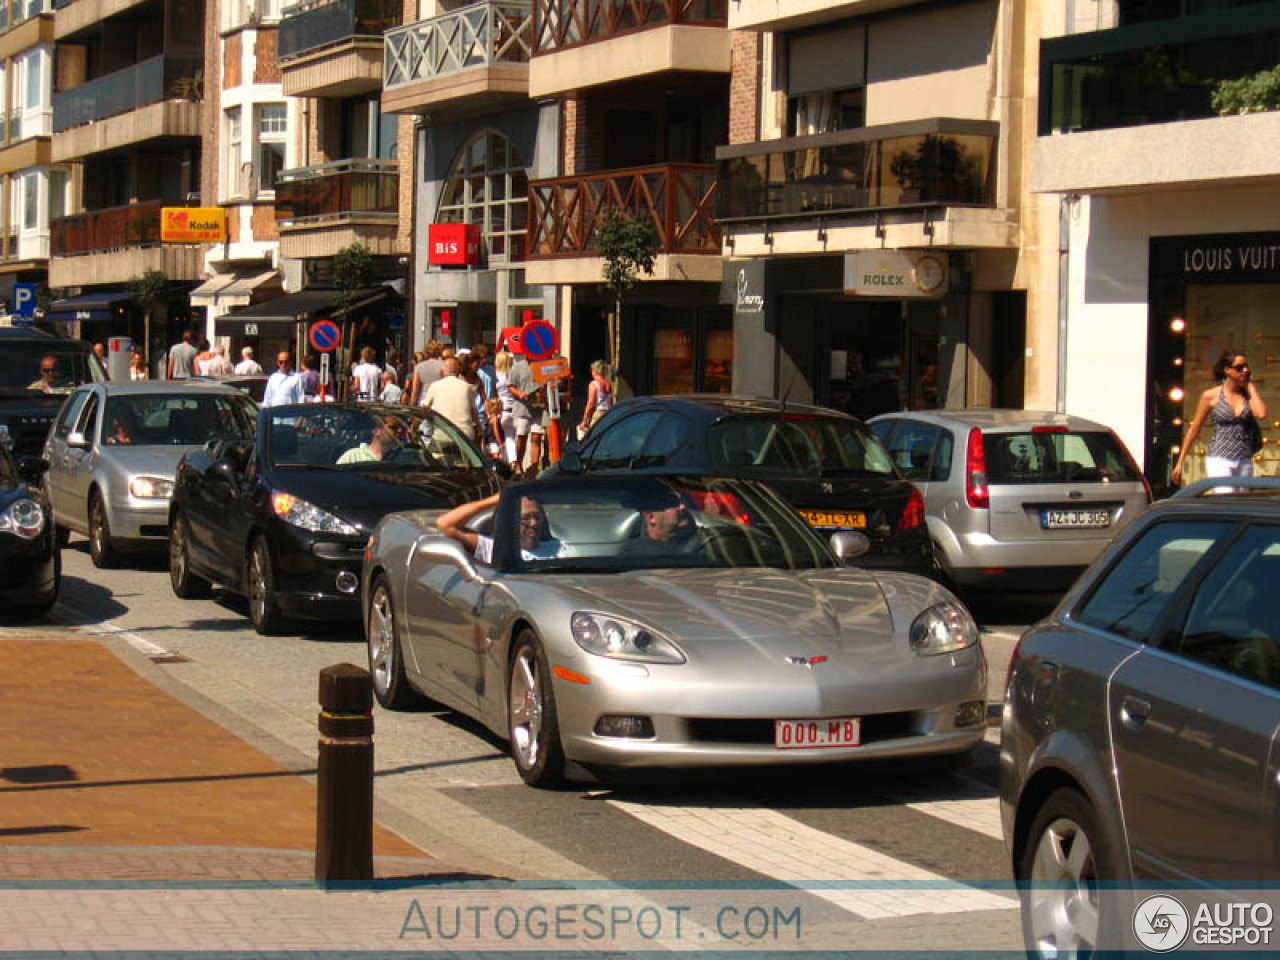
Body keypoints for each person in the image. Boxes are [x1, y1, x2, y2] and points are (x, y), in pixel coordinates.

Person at [1172, 349, 1269, 484]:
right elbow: (1194, 429)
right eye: (1240, 367)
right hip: (1220, 458)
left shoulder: (1247, 395)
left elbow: (1261, 414)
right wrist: (1180, 463)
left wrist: (1250, 386)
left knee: (1241, 502)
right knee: (1224, 497)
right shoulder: (1211, 396)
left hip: (1244, 459)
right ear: (1227, 370)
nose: (1245, 370)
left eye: (1246, 367)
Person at [437, 491, 565, 564]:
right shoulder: (493, 549)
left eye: (537, 517)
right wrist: (495, 499)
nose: (533, 523)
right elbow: (445, 524)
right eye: (525, 518)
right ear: (510, 521)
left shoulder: (558, 548)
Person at [624, 492, 702, 558]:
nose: (683, 507)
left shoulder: (706, 545)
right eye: (673, 504)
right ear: (651, 517)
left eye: (683, 501)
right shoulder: (632, 557)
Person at [421, 357, 479, 440]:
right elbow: (474, 412)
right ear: (459, 371)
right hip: (464, 435)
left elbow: (425, 408)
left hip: (442, 433)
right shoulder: (467, 387)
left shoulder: (435, 386)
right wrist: (477, 428)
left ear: (442, 371)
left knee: (436, 451)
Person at [336, 416, 406, 464]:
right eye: (393, 427)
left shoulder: (404, 458)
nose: (400, 431)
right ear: (376, 431)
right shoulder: (353, 457)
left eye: (402, 428)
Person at [580, 359, 614, 435]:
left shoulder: (594, 384)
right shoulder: (609, 384)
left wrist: (584, 420)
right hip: (608, 413)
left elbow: (591, 404)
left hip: (598, 414)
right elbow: (611, 402)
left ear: (594, 371)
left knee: (594, 437)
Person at [409, 340, 444, 405]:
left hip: (424, 401)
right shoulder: (444, 365)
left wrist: (412, 404)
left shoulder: (419, 367)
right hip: (440, 401)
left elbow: (415, 390)